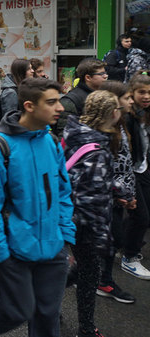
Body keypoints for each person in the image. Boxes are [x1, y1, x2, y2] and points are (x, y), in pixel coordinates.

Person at [0, 78, 75, 337]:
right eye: (51, 102)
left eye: (59, 100)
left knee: (48, 316)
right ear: (29, 105)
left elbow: (63, 190)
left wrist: (65, 235)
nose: (60, 107)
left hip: (53, 248)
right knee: (19, 310)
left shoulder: (50, 141)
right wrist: (2, 253)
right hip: (15, 251)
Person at [63, 90, 121, 337]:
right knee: (89, 274)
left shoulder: (77, 133)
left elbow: (83, 178)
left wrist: (117, 187)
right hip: (83, 223)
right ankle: (86, 328)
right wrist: (103, 237)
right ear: (112, 113)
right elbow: (91, 197)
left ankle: (44, 294)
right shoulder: (98, 148)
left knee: (83, 268)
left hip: (71, 215)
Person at [95, 81, 136, 303]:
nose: (132, 101)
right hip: (108, 198)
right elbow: (105, 170)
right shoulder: (105, 130)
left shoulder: (122, 124)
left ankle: (104, 279)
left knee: (112, 241)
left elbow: (126, 164)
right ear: (114, 102)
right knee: (112, 239)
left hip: (120, 197)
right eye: (127, 98)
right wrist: (122, 194)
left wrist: (129, 194)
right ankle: (94, 278)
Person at [120, 71, 150, 279]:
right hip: (130, 172)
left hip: (144, 168)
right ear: (132, 93)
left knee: (143, 216)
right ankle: (129, 257)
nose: (147, 96)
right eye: (142, 92)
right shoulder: (126, 117)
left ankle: (121, 243)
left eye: (149, 92)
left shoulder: (146, 114)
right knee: (141, 216)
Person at [55, 58, 107, 135]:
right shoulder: (71, 100)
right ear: (88, 77)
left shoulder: (104, 94)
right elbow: (65, 134)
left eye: (105, 73)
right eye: (101, 74)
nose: (105, 76)